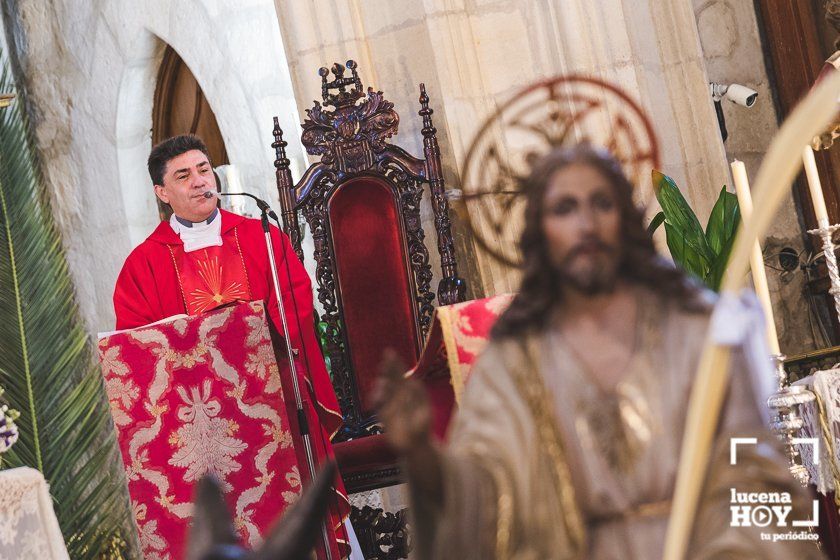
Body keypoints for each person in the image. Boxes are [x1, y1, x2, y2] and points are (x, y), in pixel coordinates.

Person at [376, 145, 822, 559]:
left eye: (601, 203)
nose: (586, 224)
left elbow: (753, 470)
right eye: (564, 208)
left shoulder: (696, 328)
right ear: (539, 230)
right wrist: (420, 451)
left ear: (625, 218)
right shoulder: (516, 357)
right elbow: (485, 497)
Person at [113, 134, 351, 559]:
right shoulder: (143, 265)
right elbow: (135, 350)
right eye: (184, 176)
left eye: (204, 169)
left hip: (270, 404)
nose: (200, 181)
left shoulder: (260, 236)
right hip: (195, 428)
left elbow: (295, 301)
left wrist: (254, 346)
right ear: (162, 193)